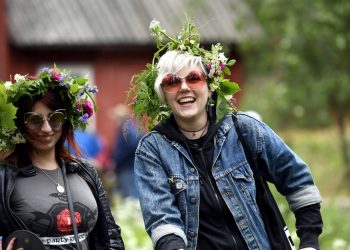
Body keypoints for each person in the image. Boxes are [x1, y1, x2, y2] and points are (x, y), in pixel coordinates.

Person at [127, 18, 323, 250]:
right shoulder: (153, 150)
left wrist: (310, 242)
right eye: (172, 82)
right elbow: (162, 220)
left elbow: (297, 179)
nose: (184, 87)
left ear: (210, 87)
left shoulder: (243, 130)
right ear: (164, 94)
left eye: (193, 78)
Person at [0, 67, 125, 249]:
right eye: (35, 120)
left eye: (55, 118)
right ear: (20, 124)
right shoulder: (4, 177)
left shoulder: (85, 172)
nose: (47, 129)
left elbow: (110, 237)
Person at [110, 104, 143, 198]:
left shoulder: (126, 130)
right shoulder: (132, 129)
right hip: (132, 168)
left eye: (116, 117)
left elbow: (126, 149)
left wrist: (115, 161)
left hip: (128, 168)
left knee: (130, 198)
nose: (114, 120)